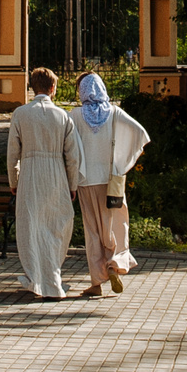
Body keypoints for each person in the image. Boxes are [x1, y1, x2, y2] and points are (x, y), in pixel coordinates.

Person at [5, 66, 81, 300]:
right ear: (52, 88)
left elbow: (12, 153)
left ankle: (36, 277)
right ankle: (53, 276)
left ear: (32, 87)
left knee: (31, 226)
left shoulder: (20, 114)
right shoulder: (63, 116)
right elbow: (73, 156)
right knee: (56, 226)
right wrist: (72, 184)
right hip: (56, 174)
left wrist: (13, 180)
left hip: (30, 174)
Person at [71, 72, 149, 297]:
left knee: (92, 231)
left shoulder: (75, 115)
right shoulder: (114, 112)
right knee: (116, 226)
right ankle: (114, 264)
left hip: (86, 182)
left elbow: (65, 140)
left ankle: (96, 283)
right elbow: (139, 133)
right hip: (111, 182)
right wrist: (122, 162)